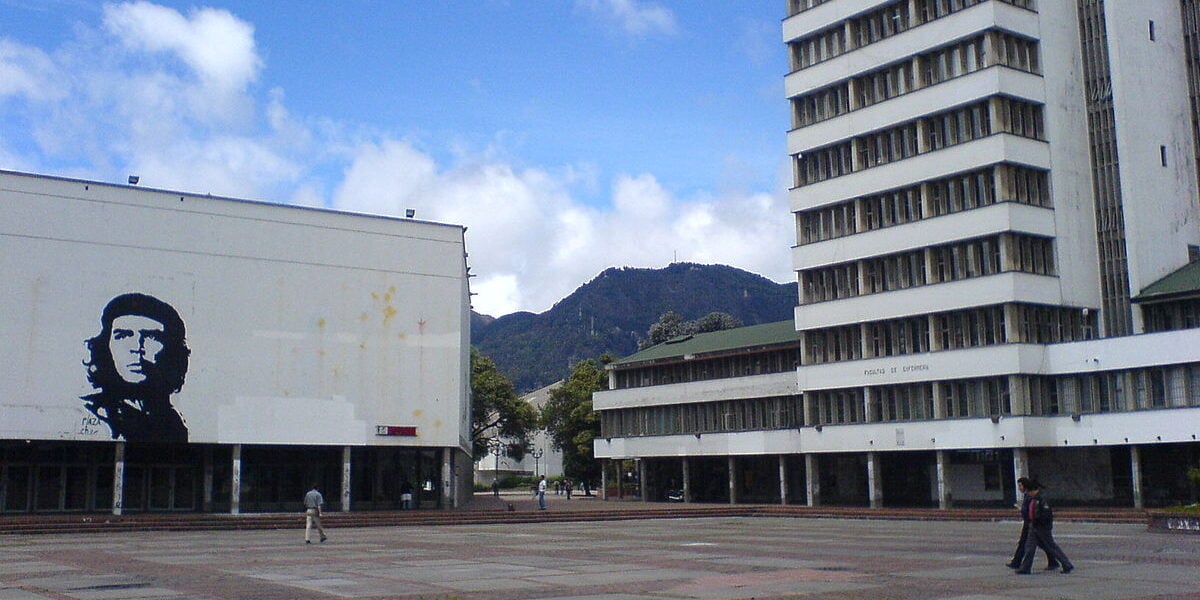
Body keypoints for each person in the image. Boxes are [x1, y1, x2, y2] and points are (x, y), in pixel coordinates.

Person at [82, 293, 190, 443]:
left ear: (172, 349)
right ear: (105, 345)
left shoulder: (173, 421)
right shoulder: (92, 413)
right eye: (123, 336)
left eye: (151, 337)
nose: (136, 347)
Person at [1016, 481, 1073, 574]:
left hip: (1041, 527)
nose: (1029, 494)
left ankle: (1066, 564)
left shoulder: (1042, 499)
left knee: (1051, 546)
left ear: (1034, 491)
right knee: (1029, 547)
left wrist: (1040, 523)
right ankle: (1025, 568)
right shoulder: (1034, 499)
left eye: (1030, 491)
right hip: (1033, 525)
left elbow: (1046, 515)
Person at [1007, 477, 1059, 571]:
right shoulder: (1029, 495)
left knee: (1035, 545)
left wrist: (1033, 520)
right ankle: (1018, 563)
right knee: (1037, 544)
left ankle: (1020, 564)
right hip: (1031, 523)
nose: (1019, 488)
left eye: (1020, 485)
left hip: (1033, 524)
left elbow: (1035, 510)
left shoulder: (1032, 496)